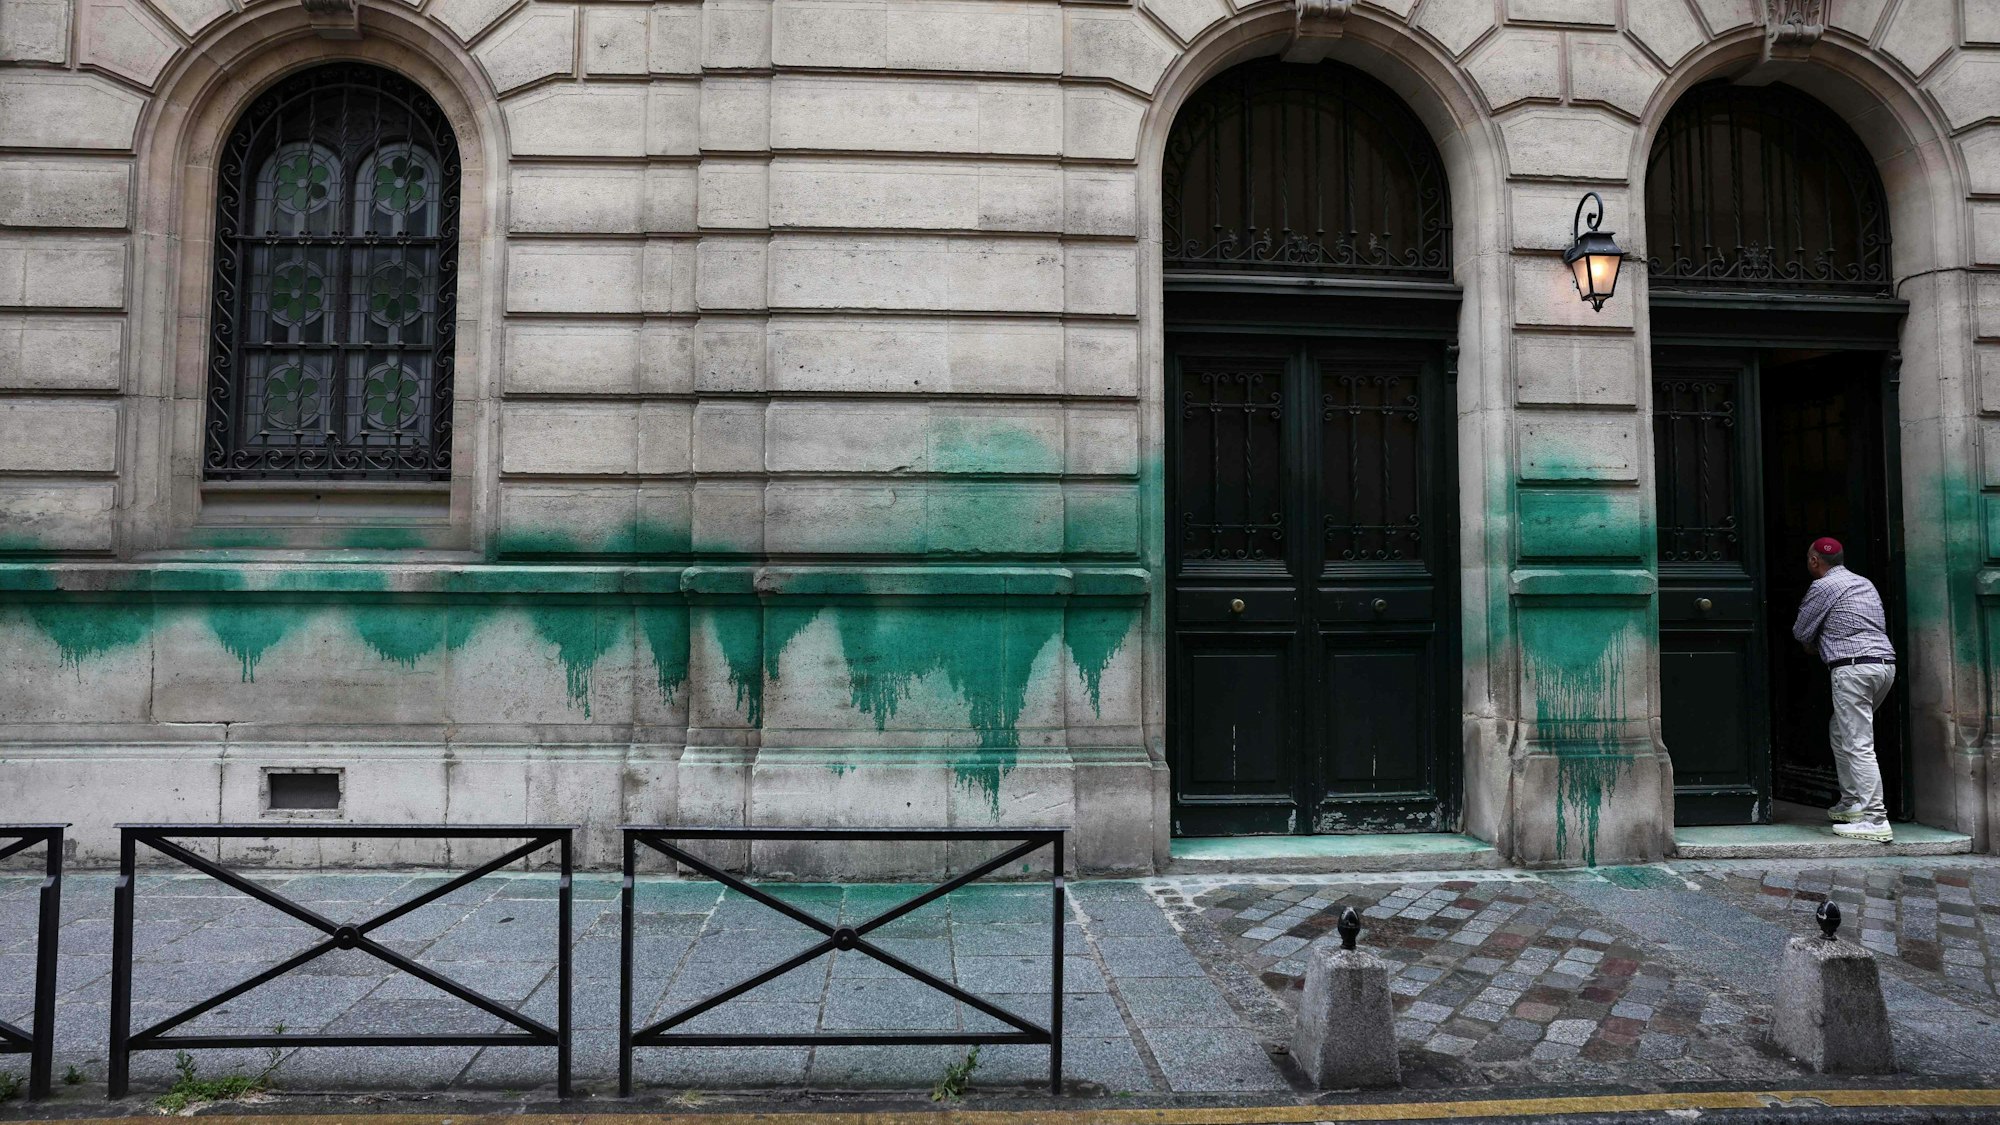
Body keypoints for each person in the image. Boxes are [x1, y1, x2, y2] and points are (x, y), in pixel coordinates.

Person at [1791, 536, 1896, 843]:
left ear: (1814, 561)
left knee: (1858, 742)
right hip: (1883, 666)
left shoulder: (1823, 586)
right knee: (1841, 730)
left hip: (1852, 668)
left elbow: (1801, 630)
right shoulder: (1864, 583)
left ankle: (1875, 818)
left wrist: (1814, 644)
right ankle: (1851, 804)